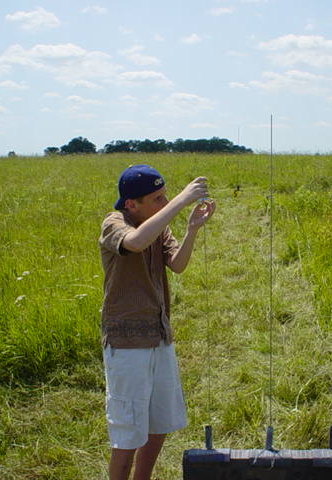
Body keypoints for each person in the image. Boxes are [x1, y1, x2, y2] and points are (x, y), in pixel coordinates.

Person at [98, 164, 215, 480]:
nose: (164, 203)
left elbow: (177, 264)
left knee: (159, 422)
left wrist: (191, 229)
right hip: (126, 343)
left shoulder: (158, 228)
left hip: (159, 335)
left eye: (165, 196)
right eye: (157, 199)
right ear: (131, 204)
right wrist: (181, 200)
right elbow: (135, 242)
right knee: (128, 433)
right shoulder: (114, 224)